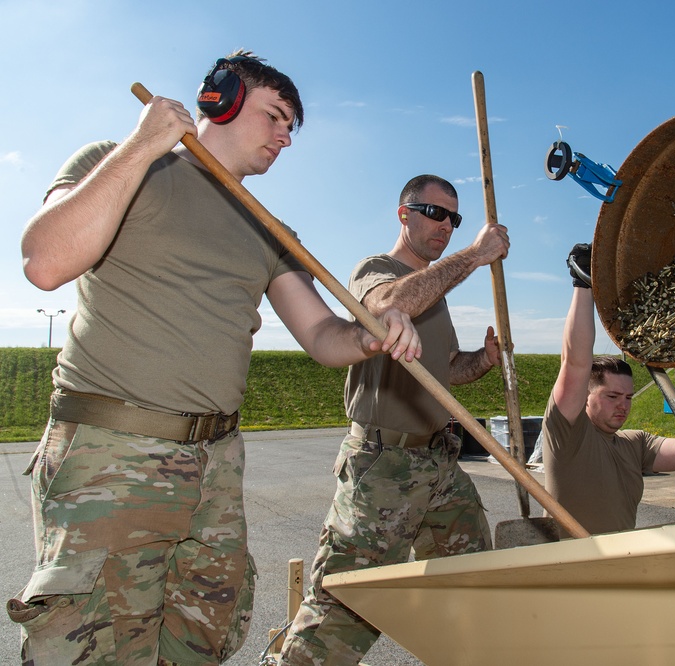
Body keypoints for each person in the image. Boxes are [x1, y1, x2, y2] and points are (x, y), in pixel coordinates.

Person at [9, 50, 420, 666]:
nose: (286, 137)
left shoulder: (268, 227)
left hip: (217, 464)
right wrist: (143, 144)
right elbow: (45, 260)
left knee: (201, 637)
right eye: (276, 116)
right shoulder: (114, 163)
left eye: (292, 128)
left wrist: (371, 333)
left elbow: (321, 337)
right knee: (95, 645)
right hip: (113, 453)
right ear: (220, 98)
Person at [280, 174, 510, 665]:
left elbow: (444, 371)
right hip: (384, 465)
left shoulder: (433, 292)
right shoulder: (378, 271)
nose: (445, 226)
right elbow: (385, 309)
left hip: (438, 461)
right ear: (404, 213)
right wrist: (475, 254)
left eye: (454, 218)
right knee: (350, 600)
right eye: (434, 213)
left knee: (471, 578)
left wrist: (484, 359)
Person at [541, 243, 675, 537]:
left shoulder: (635, 444)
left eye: (628, 397)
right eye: (611, 396)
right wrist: (582, 285)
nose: (623, 405)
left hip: (619, 566)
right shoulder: (567, 435)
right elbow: (575, 363)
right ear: (586, 395)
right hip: (569, 570)